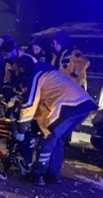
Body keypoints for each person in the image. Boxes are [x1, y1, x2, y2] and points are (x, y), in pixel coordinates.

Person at [15, 55, 96, 186]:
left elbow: (30, 103)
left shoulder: (35, 76)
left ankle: (37, 175)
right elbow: (43, 104)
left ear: (23, 69)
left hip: (68, 107)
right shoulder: (49, 73)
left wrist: (22, 126)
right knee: (58, 140)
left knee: (48, 139)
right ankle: (52, 174)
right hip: (82, 105)